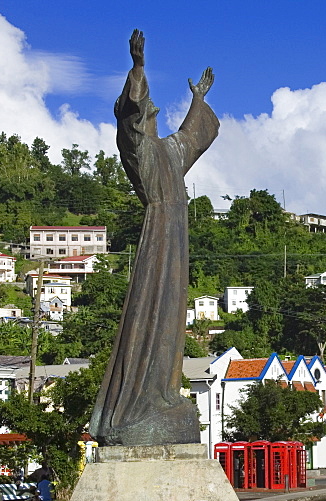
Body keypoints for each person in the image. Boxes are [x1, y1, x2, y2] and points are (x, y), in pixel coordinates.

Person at [89, 29, 219, 447]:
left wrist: (198, 99)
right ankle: (141, 401)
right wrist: (138, 67)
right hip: (158, 238)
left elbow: (195, 136)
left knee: (171, 317)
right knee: (154, 311)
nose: (155, 114)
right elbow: (128, 121)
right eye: (150, 111)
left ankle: (162, 393)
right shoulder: (140, 151)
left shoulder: (169, 152)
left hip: (176, 240)